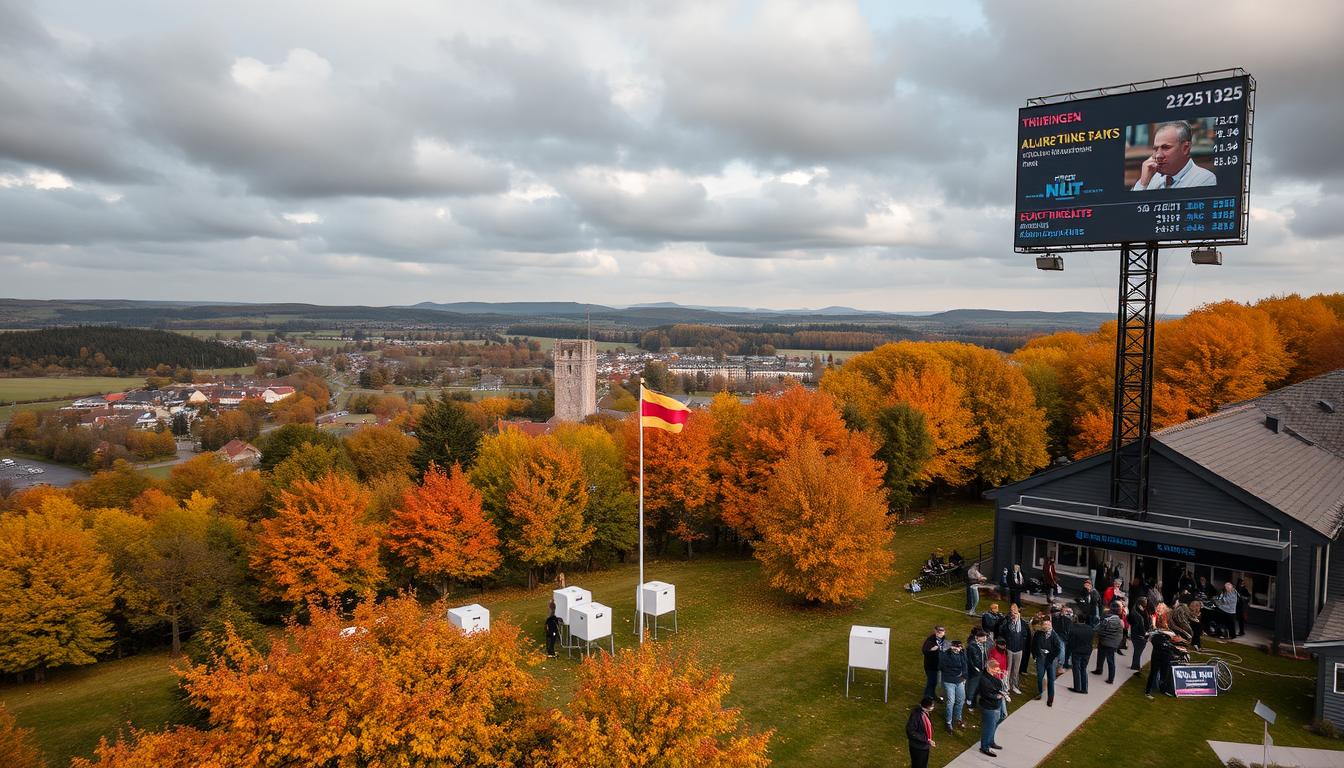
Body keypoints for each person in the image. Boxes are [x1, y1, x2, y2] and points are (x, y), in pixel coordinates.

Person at [1131, 120, 1218, 191]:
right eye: (1155, 149)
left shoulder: (1205, 179)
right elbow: (1129, 211)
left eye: (1165, 147)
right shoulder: (1151, 177)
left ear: (1185, 148)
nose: (1158, 156)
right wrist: (1142, 184)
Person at [977, 659, 1008, 757]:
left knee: (1001, 717)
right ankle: (984, 747)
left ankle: (990, 741)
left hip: (997, 703)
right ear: (989, 668)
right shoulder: (984, 679)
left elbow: (1000, 687)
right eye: (996, 669)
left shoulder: (994, 676)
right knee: (989, 727)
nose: (998, 670)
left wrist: (1003, 678)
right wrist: (997, 696)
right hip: (989, 706)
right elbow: (986, 694)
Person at [998, 604, 1029, 694]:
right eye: (1012, 612)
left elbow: (1025, 635)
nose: (1014, 614)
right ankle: (1006, 686)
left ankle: (1014, 685)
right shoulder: (1007, 621)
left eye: (1016, 612)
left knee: (1016, 669)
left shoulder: (1022, 623)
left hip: (1019, 649)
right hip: (1009, 649)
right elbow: (1001, 631)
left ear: (1018, 613)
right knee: (1008, 668)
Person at [1032, 618, 1063, 705]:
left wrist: (1051, 658)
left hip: (1051, 659)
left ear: (1051, 625)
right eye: (1044, 624)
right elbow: (1033, 645)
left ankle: (1050, 698)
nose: (1046, 626)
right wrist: (1035, 656)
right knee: (1040, 677)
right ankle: (1040, 693)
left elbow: (1058, 649)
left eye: (1048, 624)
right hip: (1040, 658)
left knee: (1051, 679)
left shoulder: (1054, 636)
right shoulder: (1038, 633)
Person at [939, 640, 967, 732]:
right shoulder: (946, 655)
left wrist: (964, 676)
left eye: (960, 647)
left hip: (960, 680)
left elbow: (965, 665)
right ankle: (948, 722)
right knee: (951, 701)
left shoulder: (962, 653)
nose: (958, 649)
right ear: (952, 646)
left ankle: (958, 718)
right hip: (949, 681)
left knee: (961, 700)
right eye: (957, 647)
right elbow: (942, 667)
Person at [1092, 604, 1123, 684]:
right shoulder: (1119, 621)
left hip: (1104, 641)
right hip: (1112, 643)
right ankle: (1111, 678)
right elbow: (1120, 634)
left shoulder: (1107, 619)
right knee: (1111, 661)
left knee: (1100, 656)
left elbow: (1098, 629)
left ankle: (1099, 670)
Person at [1066, 610, 1094, 693]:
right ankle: (1084, 688)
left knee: (1076, 669)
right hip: (1087, 651)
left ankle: (1077, 687)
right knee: (1083, 669)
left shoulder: (1073, 628)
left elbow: (1070, 641)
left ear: (1077, 619)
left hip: (1077, 651)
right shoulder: (1090, 628)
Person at [905, 696, 937, 768]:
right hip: (917, 747)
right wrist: (926, 739)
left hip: (924, 746)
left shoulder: (925, 713)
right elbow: (910, 731)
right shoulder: (916, 715)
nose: (933, 707)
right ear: (926, 706)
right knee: (917, 765)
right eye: (932, 706)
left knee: (923, 765)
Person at [965, 630, 988, 724]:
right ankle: (969, 703)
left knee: (978, 688)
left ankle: (974, 703)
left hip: (982, 670)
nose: (986, 639)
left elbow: (983, 657)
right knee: (972, 687)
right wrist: (976, 669)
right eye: (984, 637)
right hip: (975, 671)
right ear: (978, 637)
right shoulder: (972, 646)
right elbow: (970, 660)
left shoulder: (982, 645)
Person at [1145, 631, 1175, 699]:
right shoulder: (1157, 638)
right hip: (1157, 659)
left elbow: (1170, 649)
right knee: (1153, 674)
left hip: (1164, 660)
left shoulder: (1166, 640)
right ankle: (1147, 692)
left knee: (1164, 675)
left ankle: (1163, 690)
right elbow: (1156, 644)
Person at [922, 626, 948, 700]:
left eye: (942, 632)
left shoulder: (944, 639)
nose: (941, 634)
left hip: (938, 665)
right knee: (931, 681)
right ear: (936, 632)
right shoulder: (930, 640)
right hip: (930, 666)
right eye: (939, 632)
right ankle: (927, 698)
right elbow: (925, 651)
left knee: (935, 682)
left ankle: (932, 695)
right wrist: (933, 650)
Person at [1129, 596, 1153, 672]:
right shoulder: (1136, 614)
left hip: (1140, 634)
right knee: (1138, 651)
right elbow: (1139, 626)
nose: (1146, 606)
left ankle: (1135, 665)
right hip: (1139, 635)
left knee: (1138, 651)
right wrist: (1145, 634)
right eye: (1145, 604)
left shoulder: (1141, 611)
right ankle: (1135, 666)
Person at [1054, 604, 1075, 670]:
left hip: (1062, 635)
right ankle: (1065, 663)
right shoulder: (1069, 618)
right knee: (1066, 650)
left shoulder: (1061, 617)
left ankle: (1061, 665)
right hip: (1067, 636)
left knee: (1062, 649)